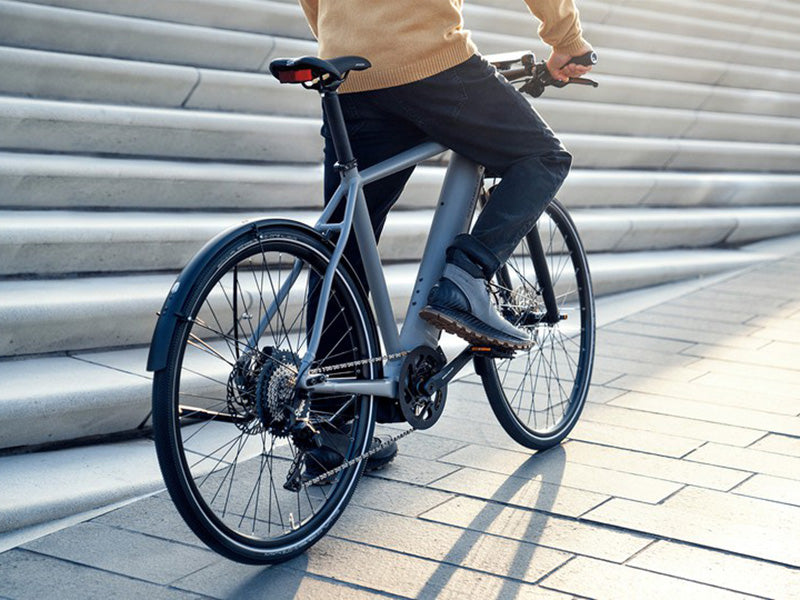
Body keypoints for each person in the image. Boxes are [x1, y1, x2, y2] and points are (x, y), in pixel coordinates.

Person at [298, 0, 594, 476]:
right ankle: (466, 277)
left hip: (347, 70)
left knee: (343, 248)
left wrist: (346, 34)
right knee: (544, 158)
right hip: (426, 59)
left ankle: (331, 426)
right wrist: (567, 40)